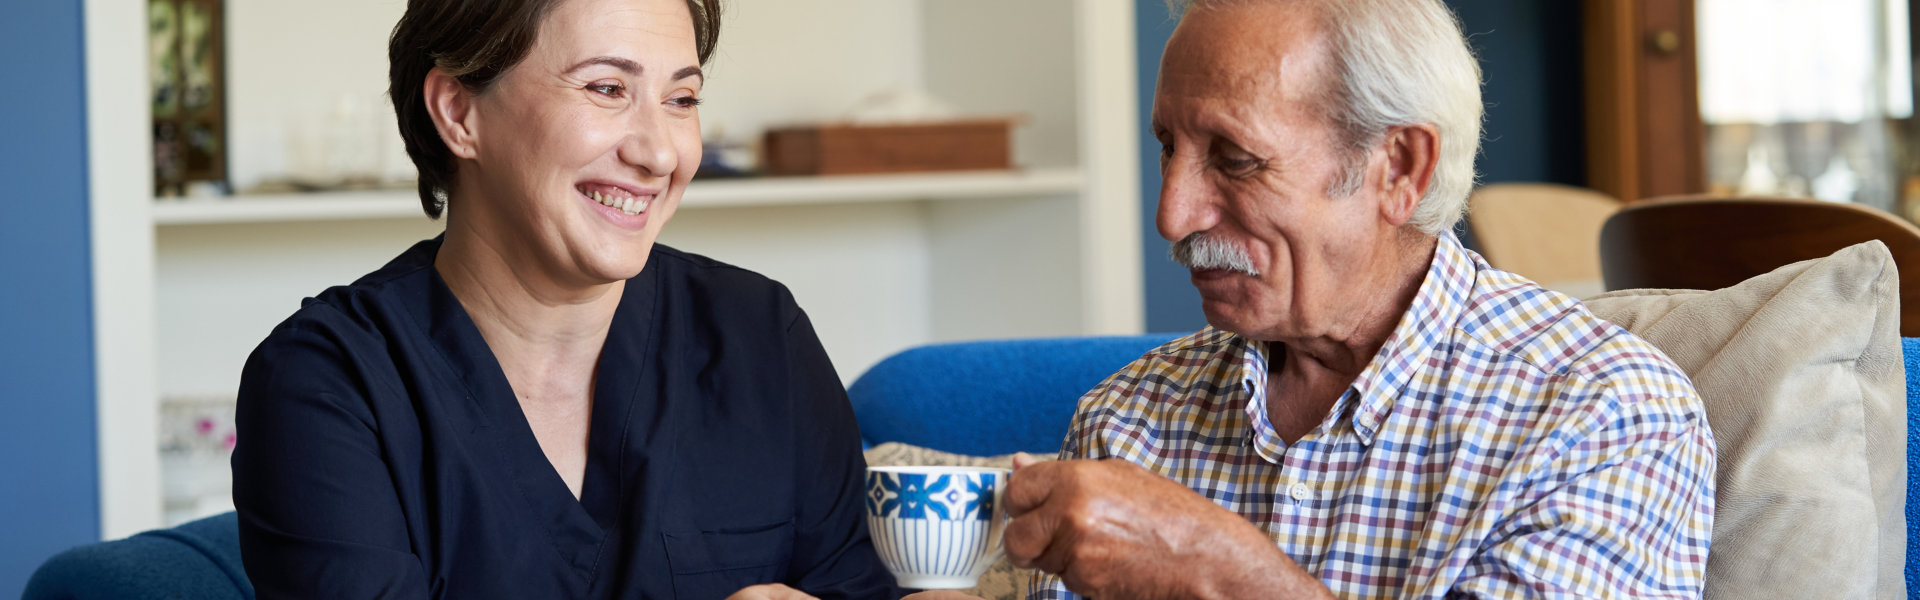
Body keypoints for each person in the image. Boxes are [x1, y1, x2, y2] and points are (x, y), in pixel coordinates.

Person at [1008, 1, 1716, 598]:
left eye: (1234, 158)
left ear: (1400, 167)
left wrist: (1217, 571)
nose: (1173, 213)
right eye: (1169, 146)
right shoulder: (1129, 422)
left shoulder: (1602, 417)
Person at [230, 1, 936, 598]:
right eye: (606, 89)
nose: (659, 154)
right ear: (458, 112)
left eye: (682, 99)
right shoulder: (329, 386)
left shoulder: (761, 339)